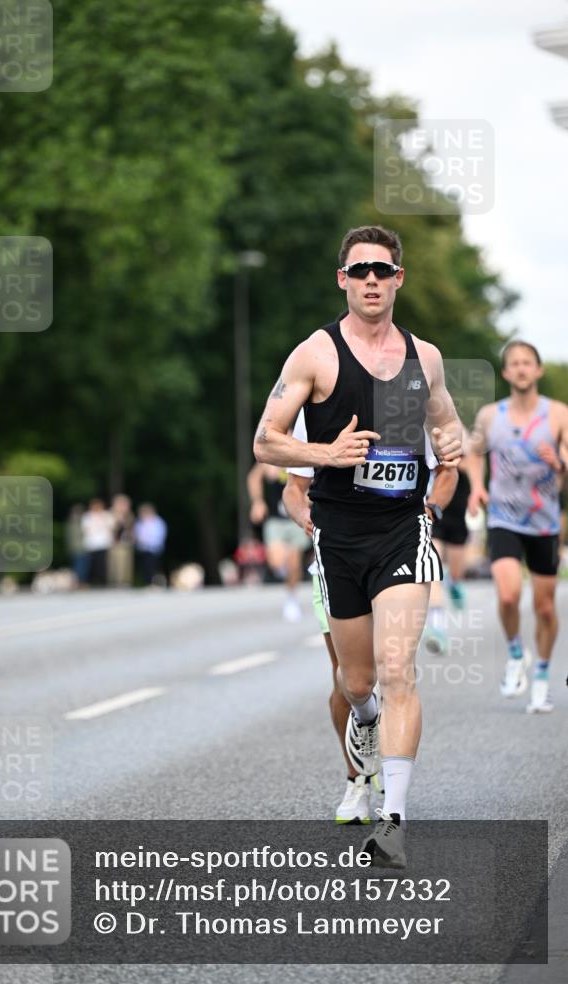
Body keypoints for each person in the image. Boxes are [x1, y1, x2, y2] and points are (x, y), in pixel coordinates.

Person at [253, 224, 462, 866]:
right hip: (338, 535)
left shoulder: (424, 357)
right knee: (357, 682)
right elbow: (266, 440)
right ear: (342, 280)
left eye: (383, 270)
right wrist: (327, 453)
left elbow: (447, 427)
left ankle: (393, 821)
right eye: (360, 270)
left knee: (399, 672)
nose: (372, 279)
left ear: (399, 279)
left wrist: (453, 448)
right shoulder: (313, 355)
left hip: (401, 528)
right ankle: (362, 749)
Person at [284, 412, 457, 824]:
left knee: (396, 670)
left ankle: (390, 810)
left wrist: (431, 508)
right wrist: (304, 519)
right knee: (350, 680)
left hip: (396, 548)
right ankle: (358, 778)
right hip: (336, 557)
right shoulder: (317, 408)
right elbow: (294, 489)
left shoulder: (411, 402)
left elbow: (448, 471)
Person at [467, 340, 568, 713]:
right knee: (508, 595)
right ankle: (515, 654)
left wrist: (558, 461)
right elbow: (473, 453)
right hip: (504, 517)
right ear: (506, 373)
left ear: (538, 370)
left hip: (543, 521)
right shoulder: (492, 416)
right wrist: (477, 486)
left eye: (528, 363)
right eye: (515, 363)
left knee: (544, 607)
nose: (522, 369)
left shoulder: (557, 413)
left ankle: (541, 676)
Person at [247, 462, 312, 621]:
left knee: (294, 561)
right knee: (276, 561)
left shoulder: (303, 446)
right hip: (276, 519)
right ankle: (285, 573)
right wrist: (257, 501)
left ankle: (291, 598)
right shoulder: (274, 452)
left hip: (296, 517)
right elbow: (254, 477)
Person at [423, 460, 471, 654]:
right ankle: (437, 628)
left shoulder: (461, 437)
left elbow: (474, 463)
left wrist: (477, 490)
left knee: (457, 572)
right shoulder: (418, 434)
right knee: (433, 569)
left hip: (457, 515)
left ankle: (453, 581)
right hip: (431, 511)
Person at [81, 498, 114, 587]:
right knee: (91, 563)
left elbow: (111, 528)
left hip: (104, 543)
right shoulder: (87, 516)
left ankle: (103, 581)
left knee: (102, 563)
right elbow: (86, 529)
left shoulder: (107, 515)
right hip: (92, 544)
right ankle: (91, 581)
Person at [135, 503, 168, 586]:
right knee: (145, 567)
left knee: (153, 566)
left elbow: (159, 535)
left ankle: (156, 582)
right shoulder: (140, 523)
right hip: (143, 549)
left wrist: (148, 541)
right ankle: (147, 582)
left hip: (154, 548)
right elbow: (137, 534)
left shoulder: (158, 522)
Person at [108, 494, 135, 587]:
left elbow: (130, 529)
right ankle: (114, 581)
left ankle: (125, 581)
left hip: (125, 542)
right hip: (114, 543)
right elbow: (110, 529)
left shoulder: (129, 515)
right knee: (114, 563)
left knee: (126, 563)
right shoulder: (110, 514)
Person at [66, 504, 89, 587]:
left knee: (78, 566)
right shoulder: (77, 523)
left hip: (77, 548)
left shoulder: (71, 522)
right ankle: (79, 582)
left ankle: (77, 582)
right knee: (80, 567)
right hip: (80, 548)